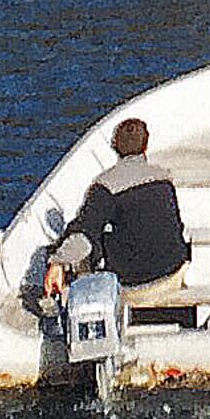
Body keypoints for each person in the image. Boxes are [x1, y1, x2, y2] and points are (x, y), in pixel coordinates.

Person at [45, 117, 192, 301]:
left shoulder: (105, 186)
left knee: (89, 244)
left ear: (114, 145)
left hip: (132, 285)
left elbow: (84, 239)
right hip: (173, 273)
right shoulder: (164, 179)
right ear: (145, 145)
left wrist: (58, 262)